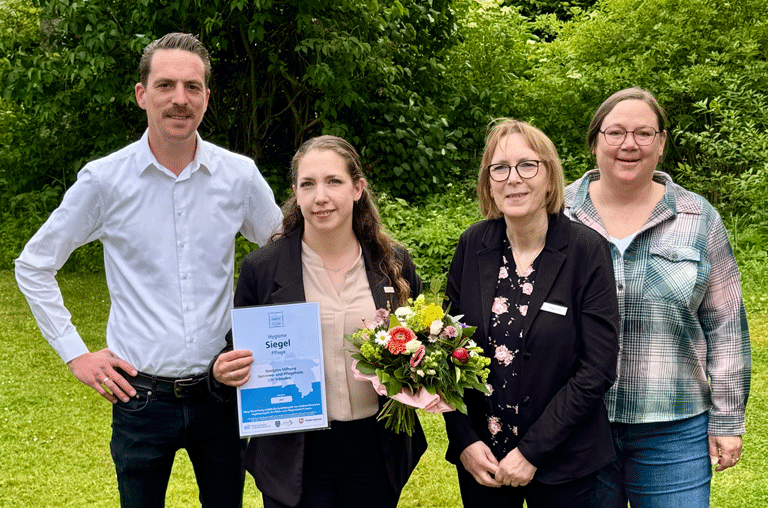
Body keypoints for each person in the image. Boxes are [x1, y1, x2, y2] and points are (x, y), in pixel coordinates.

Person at [14, 33, 283, 507]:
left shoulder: (239, 176)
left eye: (192, 87)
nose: (180, 99)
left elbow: (285, 254)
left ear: (206, 98)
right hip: (139, 398)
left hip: (223, 394)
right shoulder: (104, 181)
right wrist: (77, 354)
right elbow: (34, 265)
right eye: (165, 85)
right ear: (142, 95)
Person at [210, 135, 427, 508]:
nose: (320, 196)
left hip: (375, 454)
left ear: (358, 188)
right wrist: (223, 373)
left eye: (333, 182)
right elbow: (238, 353)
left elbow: (419, 342)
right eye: (307, 184)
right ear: (295, 193)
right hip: (294, 457)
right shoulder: (262, 269)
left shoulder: (393, 263)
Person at [564, 87, 752, 507]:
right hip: (576, 426)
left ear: (662, 142)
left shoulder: (698, 217)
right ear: (595, 141)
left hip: (674, 429)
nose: (629, 144)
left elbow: (726, 326)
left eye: (643, 133)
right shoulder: (558, 213)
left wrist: (727, 419)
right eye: (615, 133)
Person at [443, 118, 619, 507]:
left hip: (563, 462)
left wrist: (531, 452)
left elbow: (598, 367)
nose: (513, 179)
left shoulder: (585, 250)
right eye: (500, 168)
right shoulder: (473, 245)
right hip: (482, 462)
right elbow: (445, 353)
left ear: (550, 178)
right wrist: (465, 441)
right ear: (488, 182)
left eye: (527, 165)